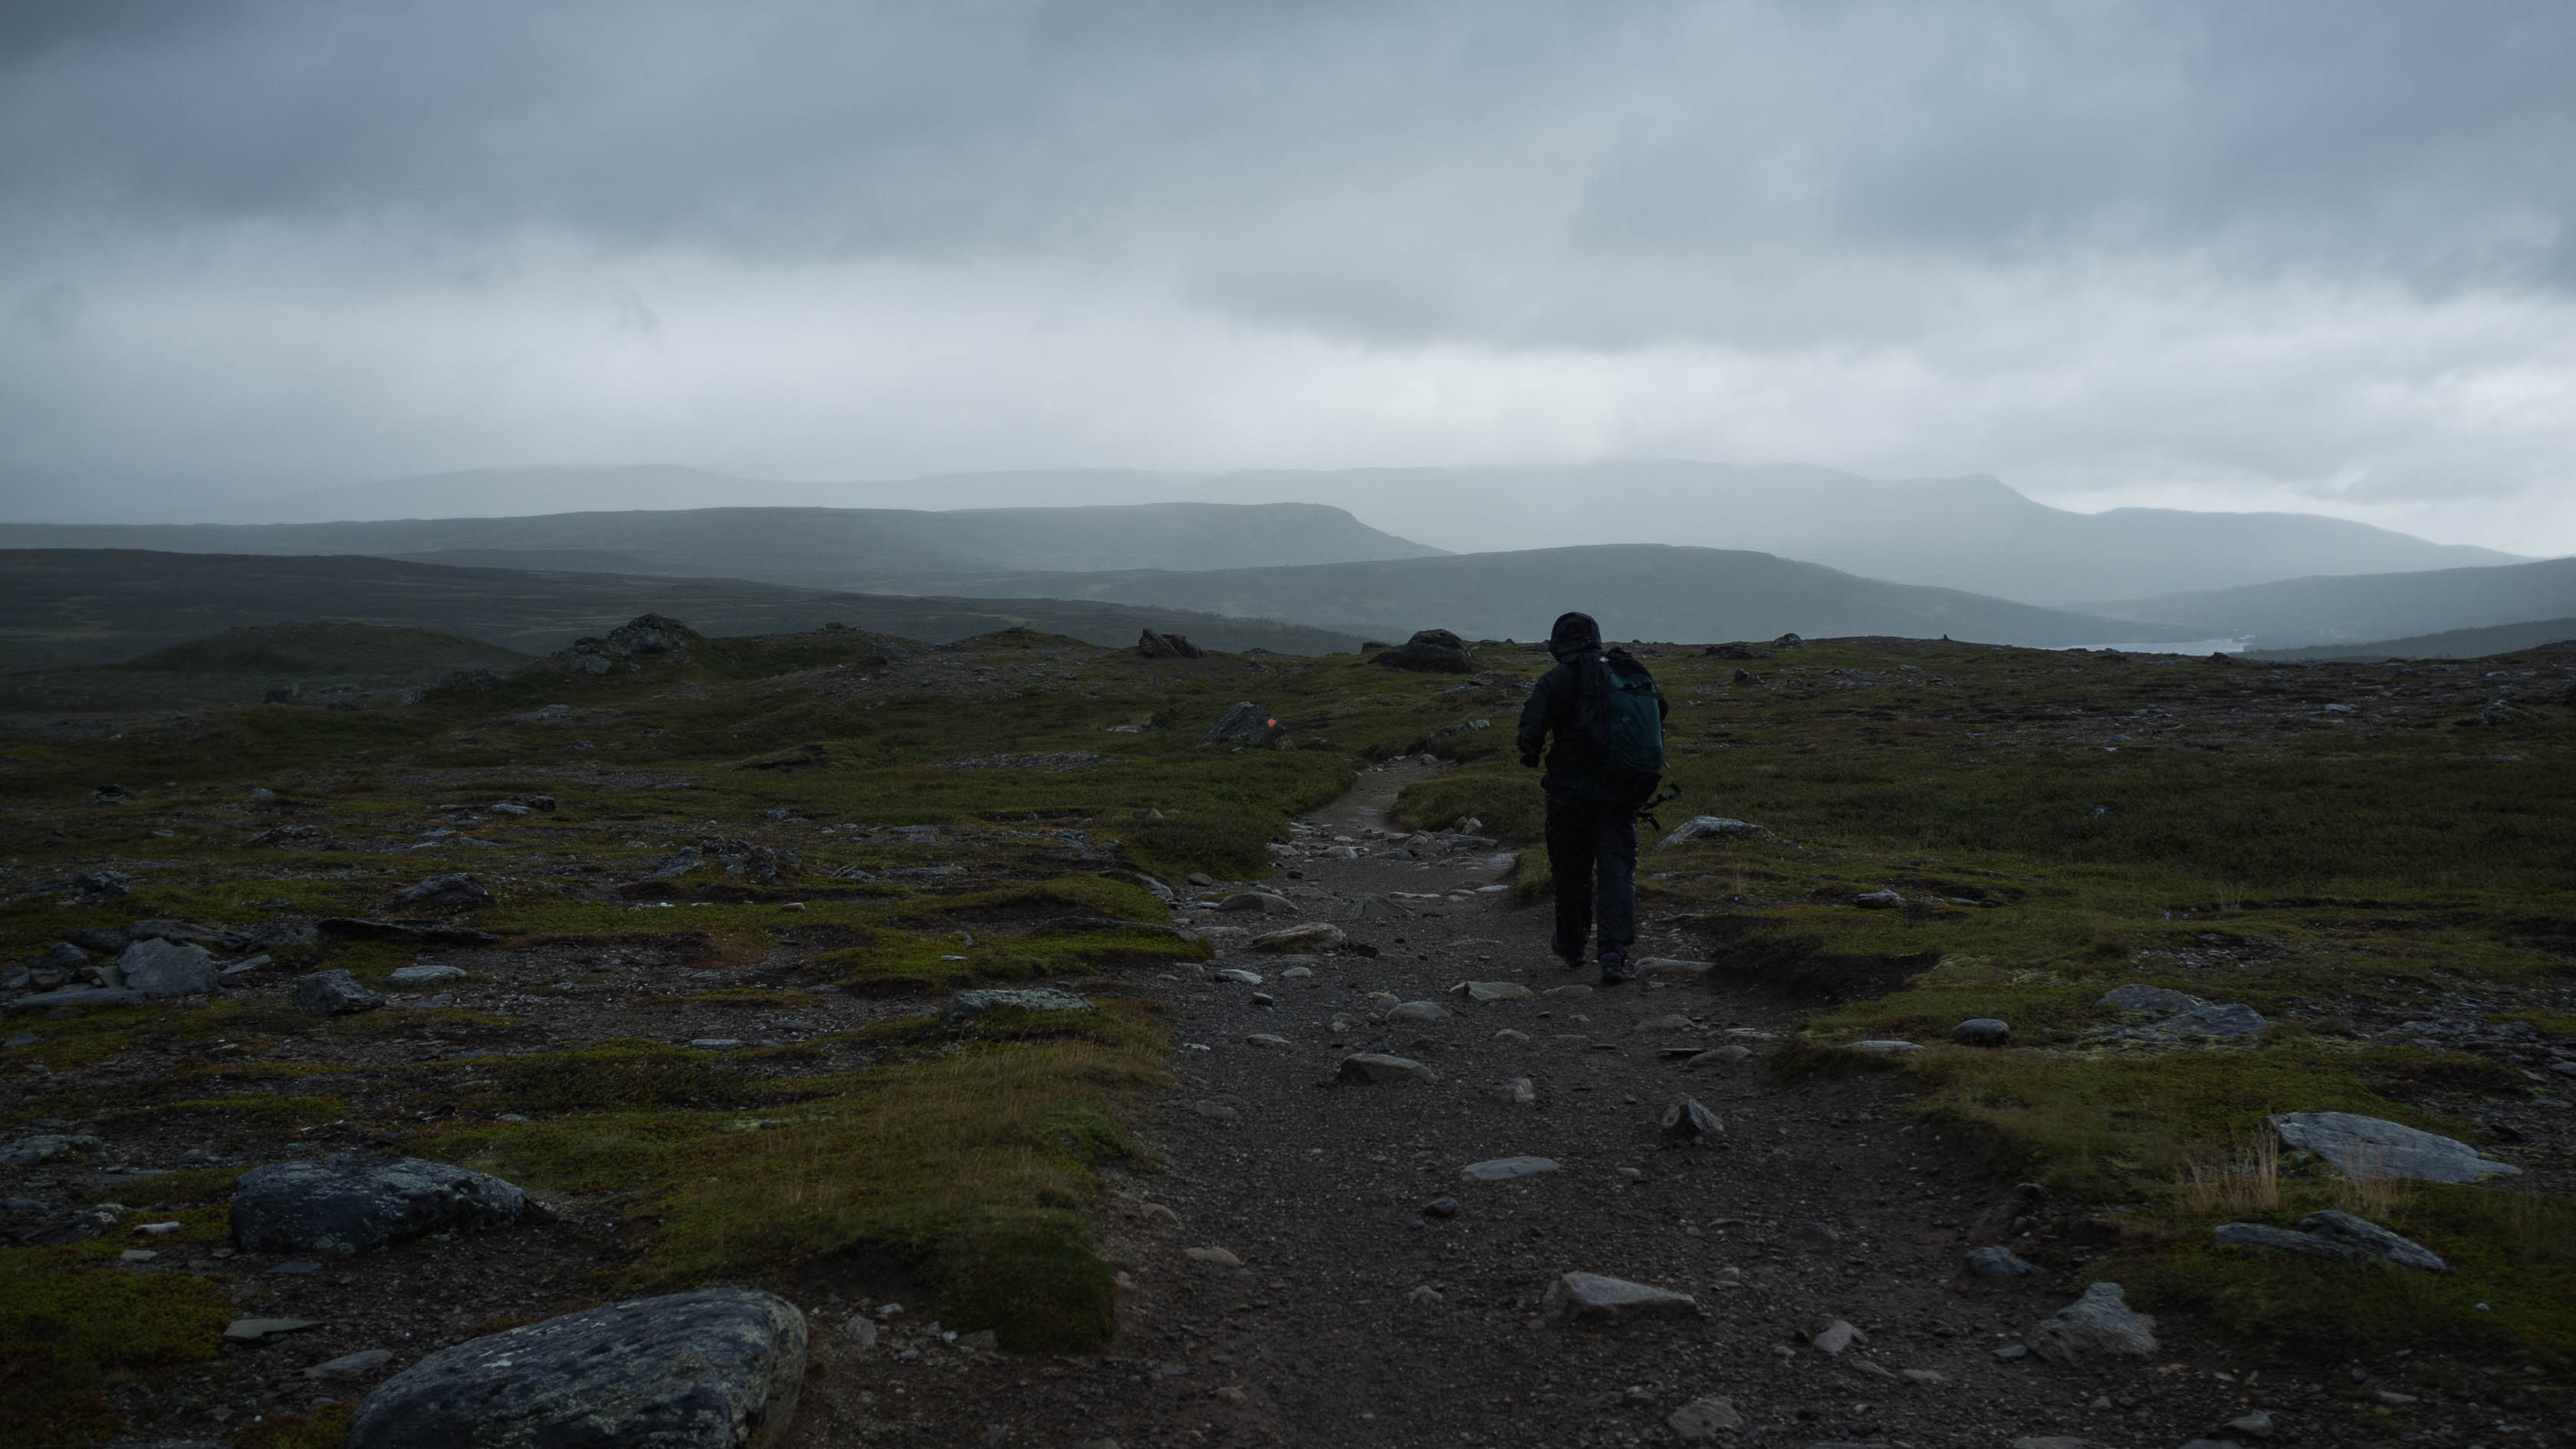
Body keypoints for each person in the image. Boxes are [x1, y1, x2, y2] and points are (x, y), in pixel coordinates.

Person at [1516, 611, 1668, 984]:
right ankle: (1614, 953)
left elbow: (1529, 735)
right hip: (1622, 790)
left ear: (1558, 644)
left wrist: (1532, 753)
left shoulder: (1554, 680)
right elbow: (1660, 709)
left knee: (1572, 872)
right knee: (1617, 871)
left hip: (1568, 793)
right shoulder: (1626, 670)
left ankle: (1571, 946)